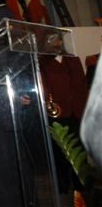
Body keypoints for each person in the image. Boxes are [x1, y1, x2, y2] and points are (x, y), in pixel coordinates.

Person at [39, 33, 89, 194]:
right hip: (57, 115)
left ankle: (82, 186)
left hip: (77, 113)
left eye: (58, 40)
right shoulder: (42, 62)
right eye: (51, 40)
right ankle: (63, 186)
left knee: (79, 151)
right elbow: (43, 88)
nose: (55, 43)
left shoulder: (73, 59)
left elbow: (82, 85)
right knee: (60, 153)